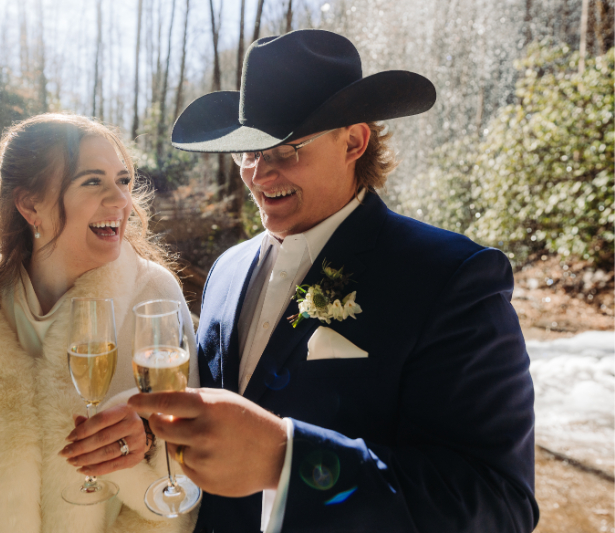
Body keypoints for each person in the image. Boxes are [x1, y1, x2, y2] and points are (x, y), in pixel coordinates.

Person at [129, 29, 539, 533]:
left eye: (286, 149)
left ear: (354, 141)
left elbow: (497, 502)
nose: (260, 174)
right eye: (248, 154)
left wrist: (287, 460)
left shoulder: (452, 278)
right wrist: (147, 437)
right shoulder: (226, 270)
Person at [0, 114, 199, 533]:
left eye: (124, 180)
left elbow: (185, 469)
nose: (120, 200)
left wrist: (141, 442)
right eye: (93, 181)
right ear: (30, 205)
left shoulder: (154, 296)